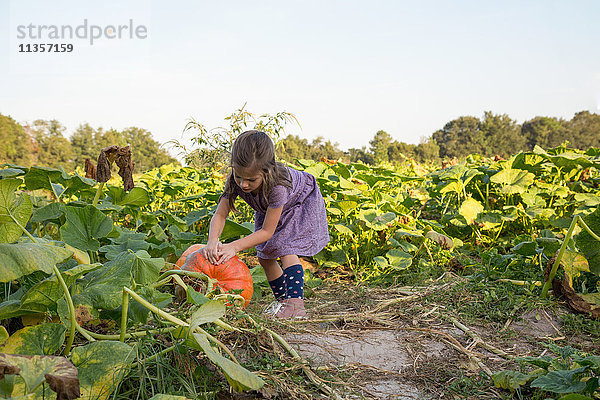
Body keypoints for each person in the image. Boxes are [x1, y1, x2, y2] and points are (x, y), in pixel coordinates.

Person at [202, 130, 329, 319]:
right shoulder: (236, 179)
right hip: (269, 208)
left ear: (266, 171)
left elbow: (267, 231)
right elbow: (221, 213)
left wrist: (234, 247)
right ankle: (282, 303)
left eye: (251, 180)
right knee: (265, 256)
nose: (243, 184)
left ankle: (296, 307)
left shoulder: (278, 186)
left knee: (286, 249)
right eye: (239, 177)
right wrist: (213, 240)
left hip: (299, 203)